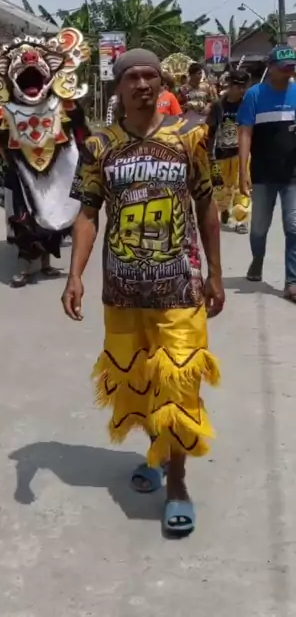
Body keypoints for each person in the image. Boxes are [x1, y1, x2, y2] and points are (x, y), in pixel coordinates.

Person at [62, 48, 224, 536]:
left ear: (161, 84)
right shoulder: (99, 146)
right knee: (140, 382)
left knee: (179, 385)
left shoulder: (191, 135)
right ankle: (156, 454)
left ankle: (177, 483)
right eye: (131, 77)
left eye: (150, 76)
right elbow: (88, 212)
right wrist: (75, 275)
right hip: (123, 292)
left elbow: (207, 204)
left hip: (180, 287)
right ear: (118, 87)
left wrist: (215, 273)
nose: (142, 84)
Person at [0, 28, 91, 287]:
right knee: (24, 220)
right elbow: (0, 143)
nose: (29, 60)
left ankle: (45, 263)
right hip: (21, 172)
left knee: (55, 214)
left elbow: (81, 136)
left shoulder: (66, 105)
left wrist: (87, 161)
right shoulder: (3, 112)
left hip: (58, 172)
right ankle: (24, 267)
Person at [238, 44, 296, 301]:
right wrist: (243, 170)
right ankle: (257, 258)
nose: (289, 71)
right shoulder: (255, 95)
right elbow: (245, 133)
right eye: (284, 67)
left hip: (292, 174)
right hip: (262, 173)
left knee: (294, 226)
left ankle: (292, 281)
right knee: (259, 227)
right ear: (270, 68)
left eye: (292, 67)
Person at [207, 69, 251, 234]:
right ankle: (224, 209)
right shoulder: (218, 105)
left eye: (244, 87)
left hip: (242, 155)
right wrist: (209, 154)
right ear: (230, 85)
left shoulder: (247, 104)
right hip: (220, 154)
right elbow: (211, 131)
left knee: (242, 187)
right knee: (221, 190)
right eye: (238, 86)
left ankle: (241, 220)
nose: (242, 90)